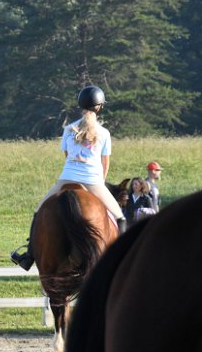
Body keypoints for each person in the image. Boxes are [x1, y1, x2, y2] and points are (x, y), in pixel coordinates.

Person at [10, 85, 126, 270]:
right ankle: (124, 258)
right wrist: (100, 182)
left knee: (38, 212)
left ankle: (28, 257)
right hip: (93, 181)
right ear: (99, 107)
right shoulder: (104, 133)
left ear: (80, 105)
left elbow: (66, 157)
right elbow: (105, 164)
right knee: (120, 217)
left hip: (67, 178)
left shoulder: (69, 129)